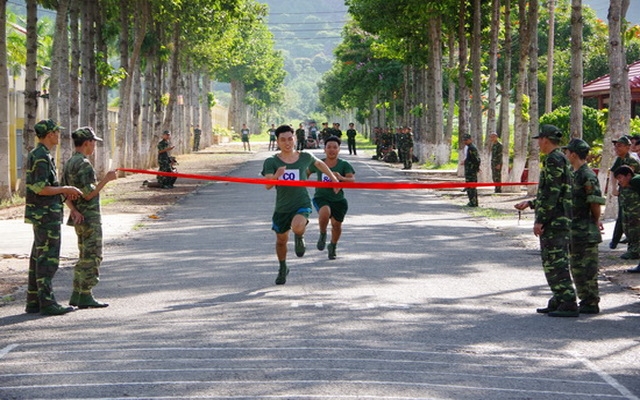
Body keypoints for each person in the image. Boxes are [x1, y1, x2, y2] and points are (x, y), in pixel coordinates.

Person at [261, 125, 340, 285]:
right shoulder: (271, 161)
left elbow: (320, 164)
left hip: (301, 203)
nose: (287, 143)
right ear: (277, 141)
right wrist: (277, 175)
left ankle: (299, 235)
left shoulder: (305, 156)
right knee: (281, 241)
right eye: (283, 140)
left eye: (290, 139)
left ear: (295, 138)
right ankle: (283, 267)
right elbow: (268, 185)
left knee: (297, 225)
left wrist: (333, 178)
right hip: (282, 207)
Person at [515, 124, 577, 317]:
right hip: (558, 217)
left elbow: (552, 193)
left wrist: (540, 220)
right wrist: (531, 204)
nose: (539, 144)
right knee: (553, 261)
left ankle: (567, 301)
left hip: (555, 221)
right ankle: (558, 298)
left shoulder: (553, 160)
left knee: (555, 262)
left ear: (545, 140)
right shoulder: (560, 159)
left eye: (540, 140)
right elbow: (553, 192)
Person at [25, 119, 83, 316]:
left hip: (44, 213)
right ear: (49, 134)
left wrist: (63, 193)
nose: (59, 135)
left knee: (38, 257)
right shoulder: (40, 157)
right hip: (45, 215)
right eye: (56, 132)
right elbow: (40, 188)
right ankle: (47, 303)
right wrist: (65, 189)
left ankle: (34, 301)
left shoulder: (42, 155)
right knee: (48, 259)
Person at [62, 127, 117, 309]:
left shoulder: (70, 162)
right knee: (92, 256)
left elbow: (64, 191)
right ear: (87, 143)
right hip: (89, 217)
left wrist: (73, 210)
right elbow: (88, 194)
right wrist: (107, 179)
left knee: (84, 254)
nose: (94, 146)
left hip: (79, 216)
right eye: (93, 142)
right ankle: (85, 294)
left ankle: (77, 293)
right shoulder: (84, 165)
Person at [562, 138, 604, 314]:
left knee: (587, 268)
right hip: (575, 229)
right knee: (577, 267)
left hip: (585, 229)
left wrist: (595, 220)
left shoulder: (587, 175)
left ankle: (591, 301)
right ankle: (585, 300)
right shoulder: (574, 174)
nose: (565, 155)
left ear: (573, 154)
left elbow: (594, 202)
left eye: (567, 152)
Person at [308, 136, 355, 260]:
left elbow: (352, 180)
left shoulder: (344, 164)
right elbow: (305, 173)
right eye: (328, 147)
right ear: (324, 149)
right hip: (321, 197)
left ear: (339, 149)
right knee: (325, 212)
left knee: (336, 225)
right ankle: (323, 234)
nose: (331, 150)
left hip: (338, 200)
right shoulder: (319, 164)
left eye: (335, 147)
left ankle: (333, 246)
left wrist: (341, 178)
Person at [609, 136, 640, 253]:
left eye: (620, 145)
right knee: (624, 221)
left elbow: (628, 178)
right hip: (624, 194)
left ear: (628, 147)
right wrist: (613, 188)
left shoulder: (631, 161)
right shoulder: (619, 159)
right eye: (615, 145)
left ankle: (634, 250)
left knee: (633, 223)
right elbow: (613, 172)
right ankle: (628, 247)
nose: (616, 148)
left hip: (633, 196)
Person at [613, 165, 640, 273]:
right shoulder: (624, 190)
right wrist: (615, 239)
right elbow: (621, 215)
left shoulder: (635, 181)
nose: (619, 181)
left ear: (628, 175)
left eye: (620, 177)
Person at [462, 133, 480, 207]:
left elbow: (477, 159)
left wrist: (476, 168)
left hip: (471, 171)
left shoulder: (472, 148)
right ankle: (472, 201)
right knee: (469, 187)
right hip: (469, 170)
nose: (465, 142)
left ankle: (473, 202)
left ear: (470, 140)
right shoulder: (469, 147)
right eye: (464, 140)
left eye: (466, 140)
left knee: (471, 187)